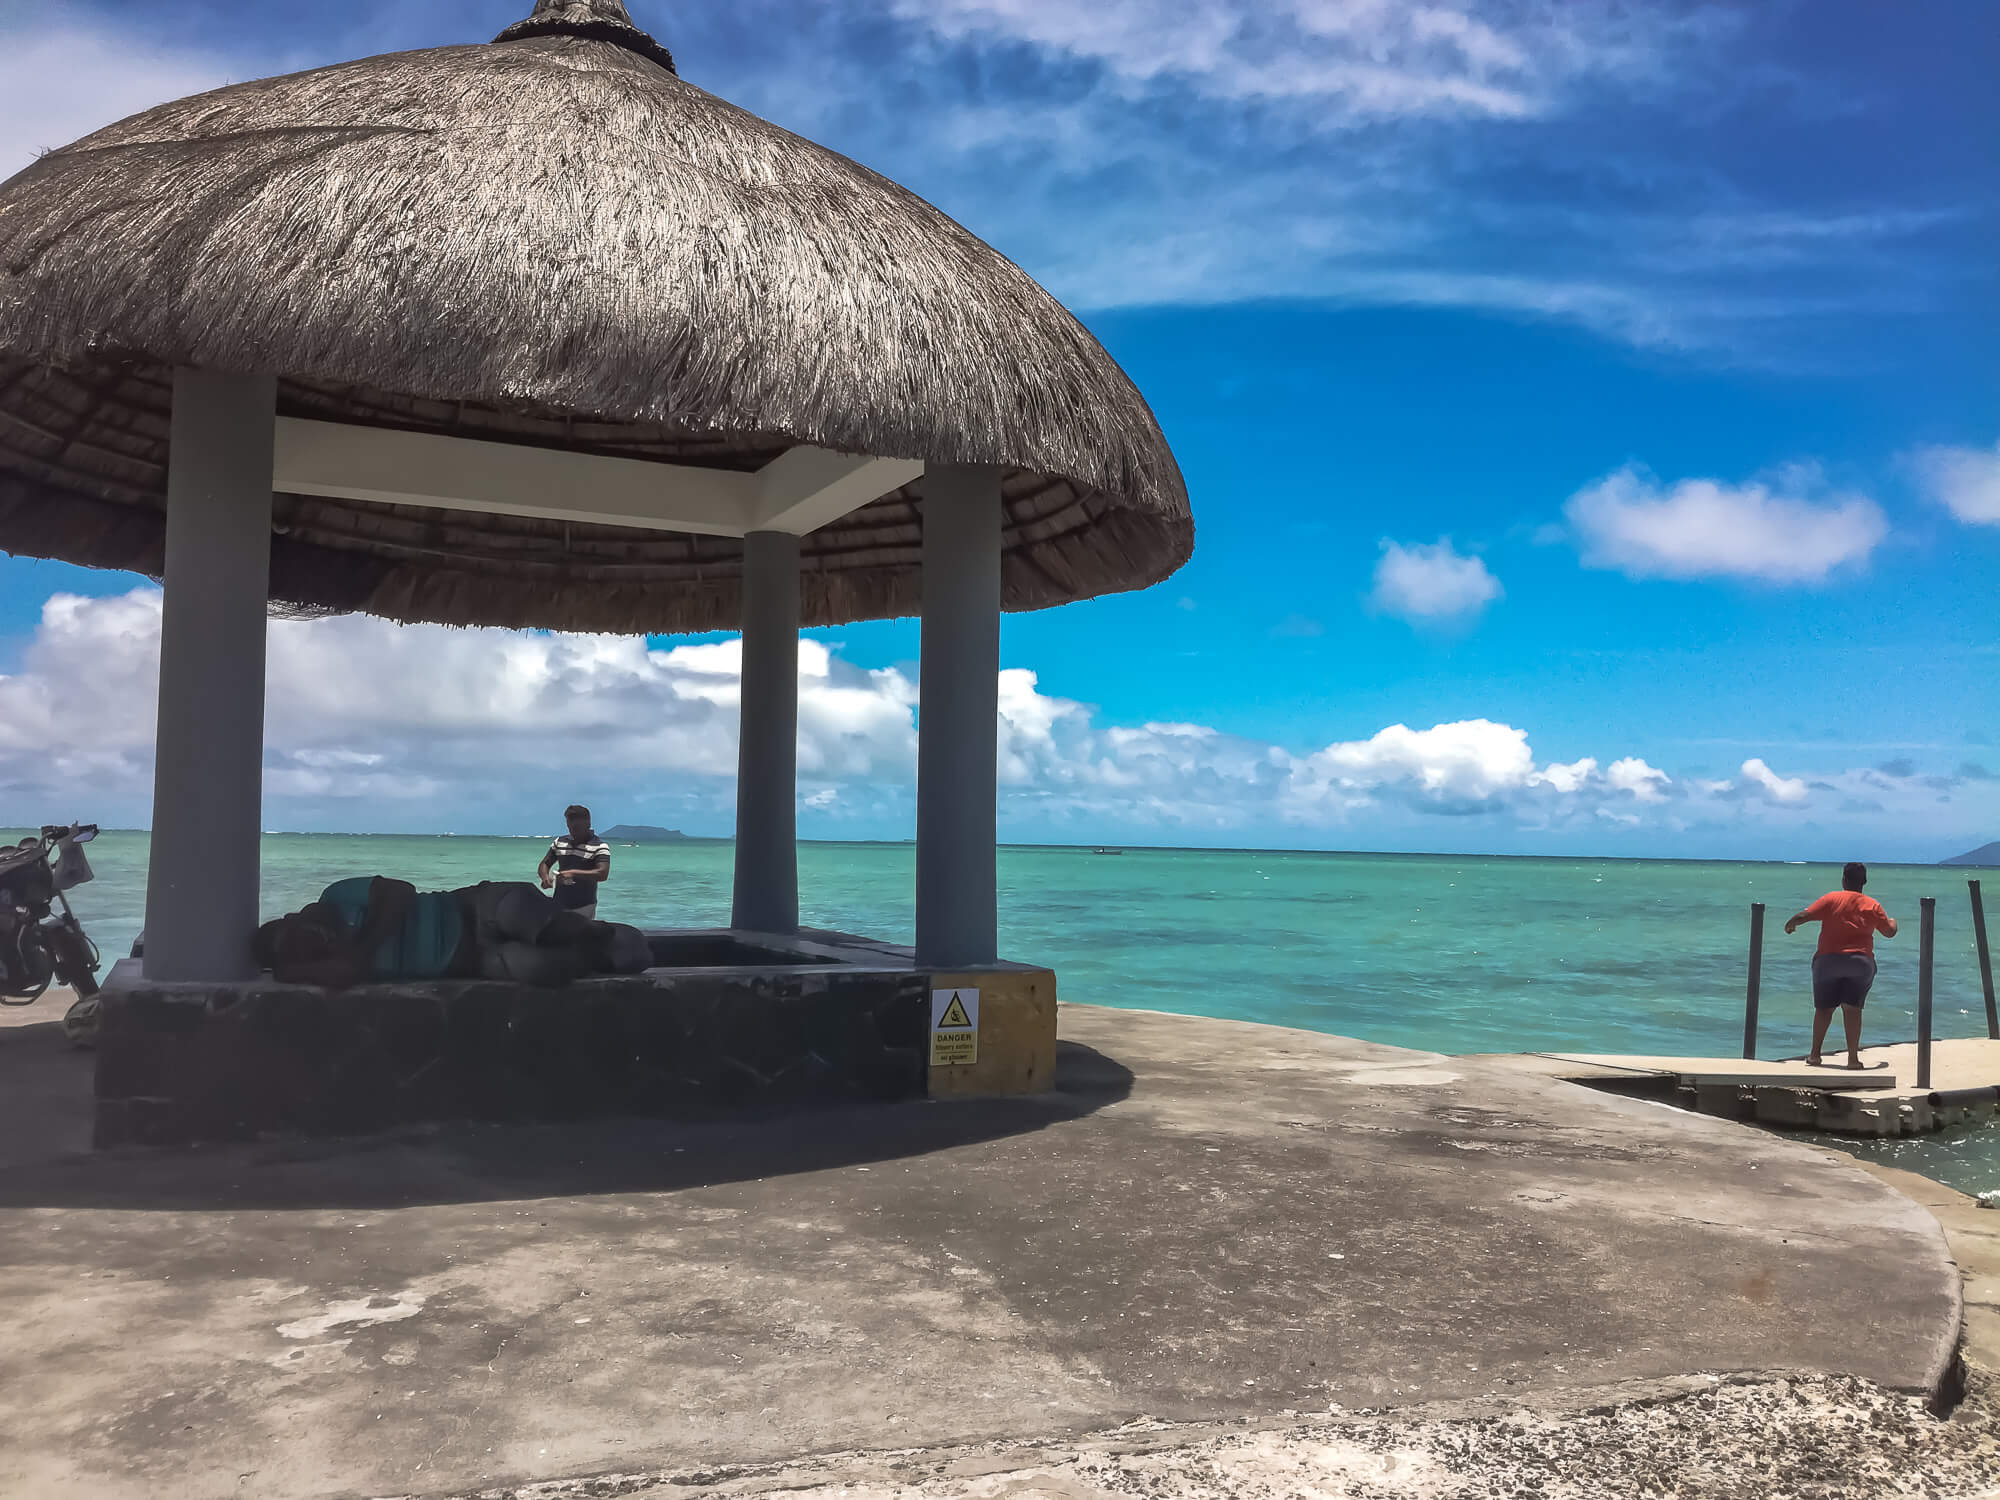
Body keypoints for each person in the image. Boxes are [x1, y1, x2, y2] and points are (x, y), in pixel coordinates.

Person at [254, 876, 650, 988]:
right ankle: (601, 956)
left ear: (295, 915)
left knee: (532, 919)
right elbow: (346, 974)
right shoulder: (329, 965)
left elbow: (399, 892)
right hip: (473, 960)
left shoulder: (337, 896)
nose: (305, 942)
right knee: (534, 967)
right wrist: (293, 970)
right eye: (294, 950)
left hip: (472, 909)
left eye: (296, 932)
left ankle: (591, 931)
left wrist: (366, 946)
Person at [1783, 862, 1897, 1069]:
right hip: (1860, 962)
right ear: (1864, 881)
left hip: (1828, 961)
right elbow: (1889, 932)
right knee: (1852, 1009)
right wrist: (1893, 921)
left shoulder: (1831, 898)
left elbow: (1803, 916)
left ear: (1843, 879)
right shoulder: (1873, 905)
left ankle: (1815, 1055)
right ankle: (1853, 1059)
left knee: (1824, 1009)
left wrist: (1790, 925)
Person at [539, 805, 611, 919]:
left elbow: (603, 873)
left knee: (580, 936)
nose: (573, 832)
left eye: (577, 828)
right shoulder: (560, 842)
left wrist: (573, 873)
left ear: (588, 824)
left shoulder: (599, 846)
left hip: (584, 906)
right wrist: (545, 877)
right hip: (559, 903)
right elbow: (545, 863)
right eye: (570, 827)